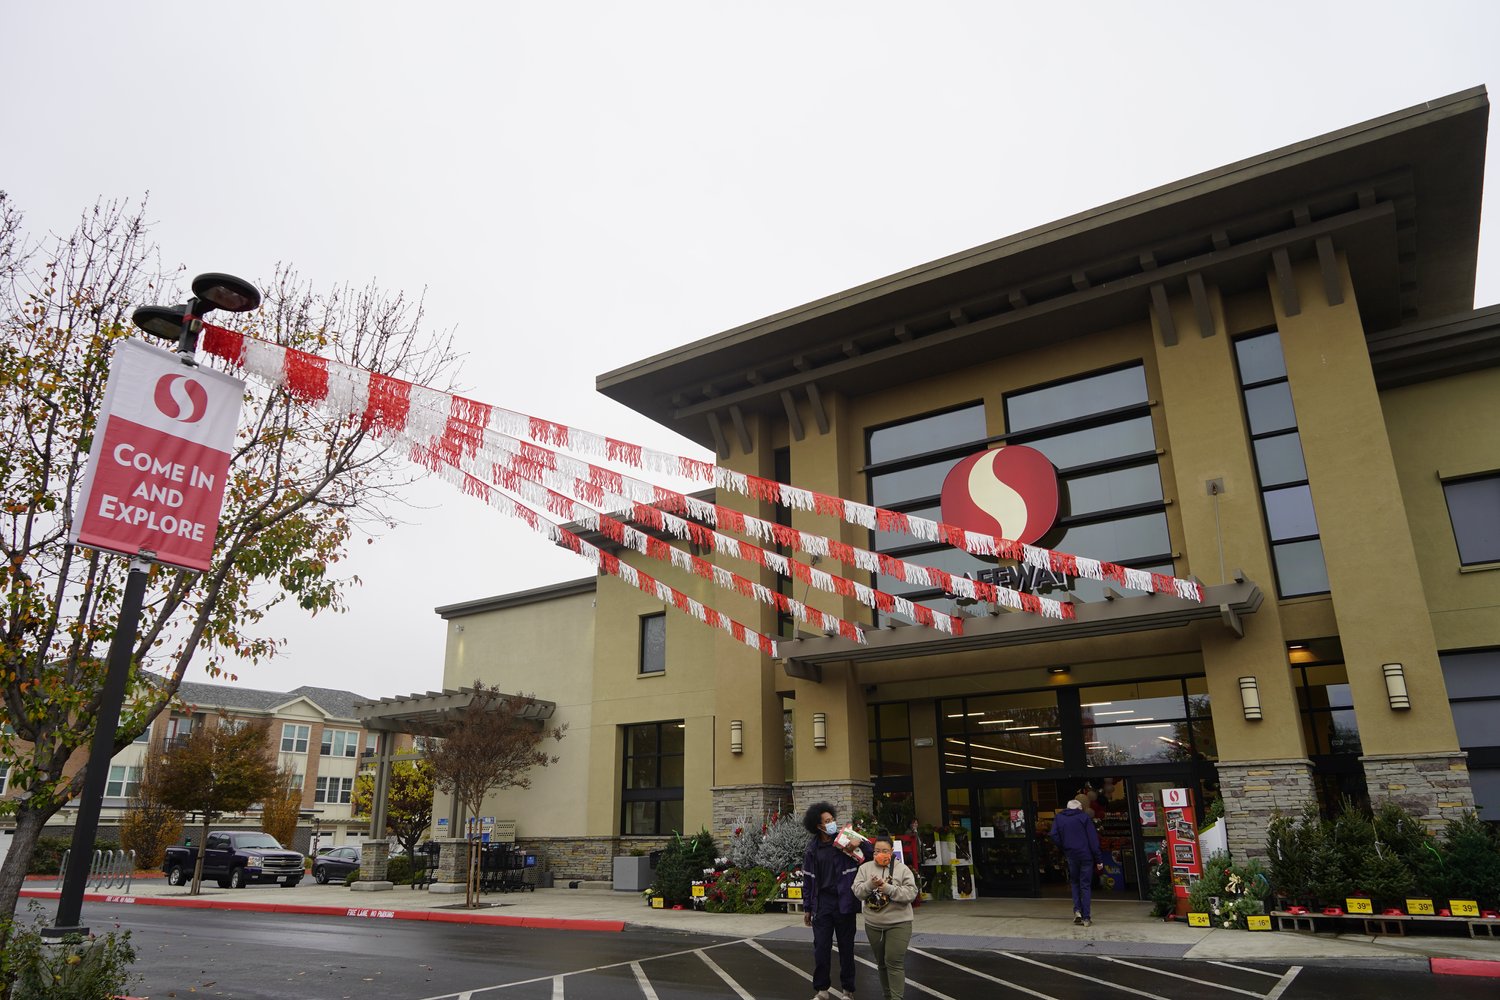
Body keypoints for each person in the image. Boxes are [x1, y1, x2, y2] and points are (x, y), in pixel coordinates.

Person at [802, 801, 870, 1000]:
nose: (831, 823)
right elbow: (808, 880)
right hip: (822, 905)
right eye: (827, 821)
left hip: (844, 903)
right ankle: (822, 990)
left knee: (846, 949)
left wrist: (859, 844)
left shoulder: (845, 839)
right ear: (818, 825)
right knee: (821, 948)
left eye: (832, 819)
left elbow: (869, 851)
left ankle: (848, 990)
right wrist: (807, 908)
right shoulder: (812, 850)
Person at [851, 833, 918, 1000]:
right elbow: (857, 892)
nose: (880, 854)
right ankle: (887, 996)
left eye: (885, 850)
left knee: (893, 962)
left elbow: (911, 894)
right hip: (873, 924)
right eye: (876, 851)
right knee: (881, 963)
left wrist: (888, 888)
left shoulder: (902, 869)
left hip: (899, 923)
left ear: (892, 851)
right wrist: (870, 884)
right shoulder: (865, 868)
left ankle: (897, 998)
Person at [1050, 798, 1103, 927]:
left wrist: (1064, 846)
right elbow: (1093, 840)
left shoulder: (1059, 818)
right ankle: (1086, 917)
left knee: (1074, 882)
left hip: (1071, 855)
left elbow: (1053, 835)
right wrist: (1099, 859)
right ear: (1079, 808)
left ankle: (1077, 910)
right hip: (1085, 855)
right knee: (1085, 885)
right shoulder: (1084, 818)